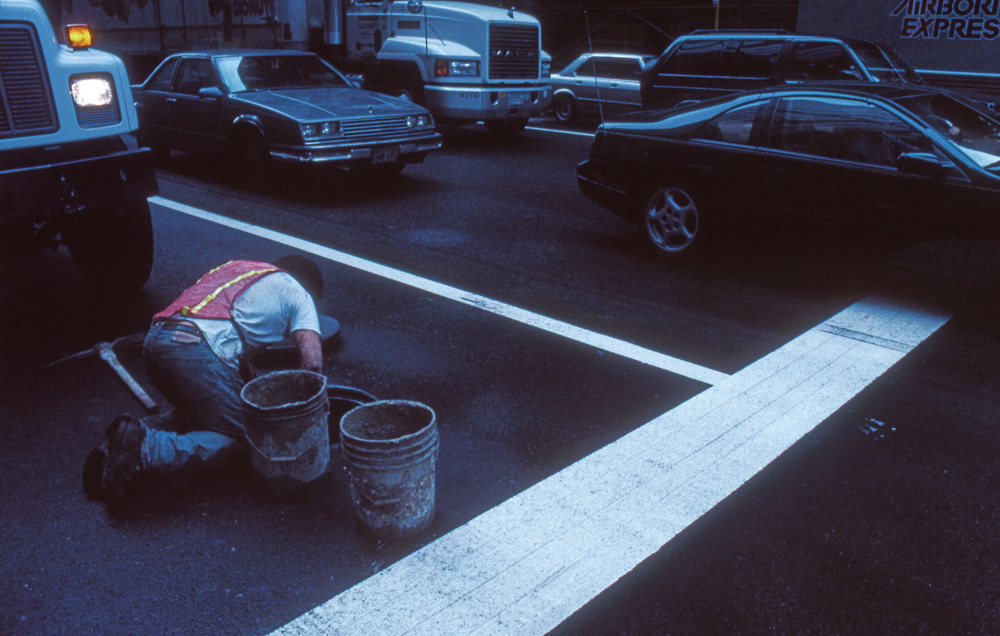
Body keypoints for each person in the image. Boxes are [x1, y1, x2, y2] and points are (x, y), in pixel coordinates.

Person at [83, 256, 324, 504]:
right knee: (254, 443)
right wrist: (304, 418)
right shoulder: (299, 293)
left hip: (157, 341)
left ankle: (132, 433)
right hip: (193, 351)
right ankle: (147, 451)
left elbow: (233, 354)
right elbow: (312, 366)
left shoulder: (239, 269)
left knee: (206, 415)